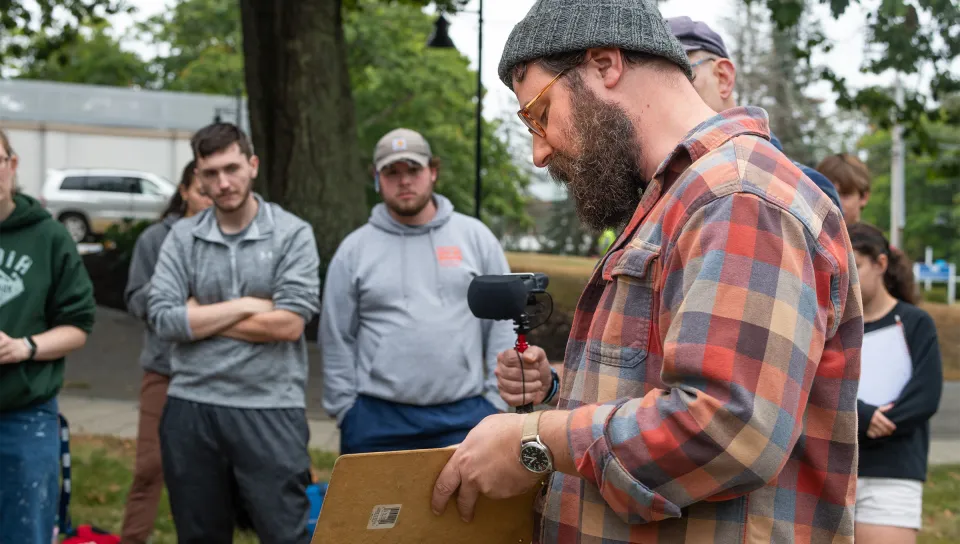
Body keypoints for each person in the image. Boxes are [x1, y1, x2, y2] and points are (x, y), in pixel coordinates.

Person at [429, 1, 863, 543]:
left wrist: (533, 441)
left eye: (539, 113)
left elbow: (727, 428)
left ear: (606, 64)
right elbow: (656, 387)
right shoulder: (681, 199)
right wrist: (555, 396)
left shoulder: (735, 196)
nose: (538, 151)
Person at [147, 122, 321, 544]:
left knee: (285, 535)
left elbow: (289, 323)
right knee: (199, 535)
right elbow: (164, 319)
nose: (223, 183)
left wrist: (200, 317)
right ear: (198, 176)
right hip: (191, 406)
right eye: (210, 173)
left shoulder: (292, 233)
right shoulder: (183, 237)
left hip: (269, 407)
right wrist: (246, 305)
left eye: (232, 168)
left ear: (253, 165)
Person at [320, 127, 515, 454]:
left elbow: (504, 320)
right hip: (376, 418)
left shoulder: (475, 238)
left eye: (413, 169)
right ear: (377, 179)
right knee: (373, 507)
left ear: (433, 172)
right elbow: (336, 335)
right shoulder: (354, 250)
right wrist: (345, 410)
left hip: (465, 413)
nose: (404, 180)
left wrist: (495, 402)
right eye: (391, 172)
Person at [0, 128, 96, 543]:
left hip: (25, 414)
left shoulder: (48, 237)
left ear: (12, 165)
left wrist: (25, 347)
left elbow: (79, 326)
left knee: (24, 532)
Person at [119, 160, 211, 544]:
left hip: (216, 372)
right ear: (185, 191)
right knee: (149, 466)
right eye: (201, 189)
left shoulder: (240, 237)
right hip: (164, 369)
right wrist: (174, 302)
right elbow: (136, 299)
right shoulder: (156, 239)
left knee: (209, 474)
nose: (210, 196)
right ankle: (133, 538)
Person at [666, 15, 844, 212]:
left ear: (723, 77)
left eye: (678, 75)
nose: (664, 94)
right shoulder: (653, 188)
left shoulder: (809, 188)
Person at [848, 222, 942, 544]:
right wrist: (862, 416)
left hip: (893, 472)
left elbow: (926, 395)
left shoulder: (915, 322)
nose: (847, 279)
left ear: (880, 264)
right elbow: (819, 391)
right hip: (835, 471)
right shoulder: (834, 329)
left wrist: (880, 421)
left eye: (855, 267)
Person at [817, 153, 872, 224]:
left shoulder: (871, 235)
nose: (835, 203)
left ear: (864, 197)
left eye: (844, 194)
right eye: (827, 194)